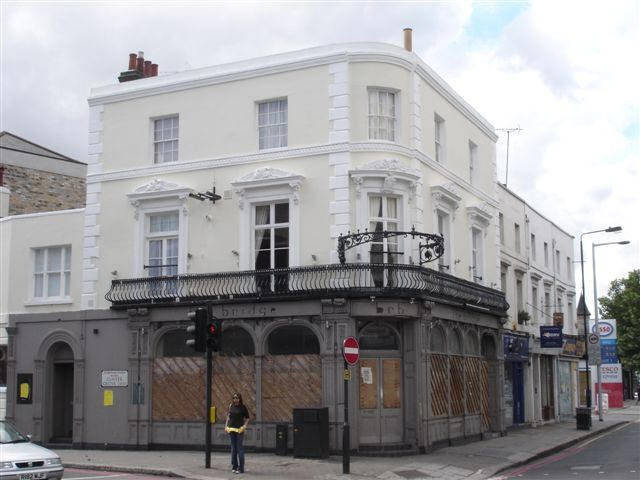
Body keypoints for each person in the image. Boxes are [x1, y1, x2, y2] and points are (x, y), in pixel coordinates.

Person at [225, 392, 250, 474]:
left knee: (239, 449)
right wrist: (226, 426)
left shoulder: (243, 407)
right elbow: (228, 417)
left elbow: (247, 418)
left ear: (240, 399)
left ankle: (241, 468)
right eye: (234, 397)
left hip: (239, 430)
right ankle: (234, 466)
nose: (235, 399)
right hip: (231, 429)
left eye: (237, 397)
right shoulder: (230, 406)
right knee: (233, 449)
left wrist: (245, 426)